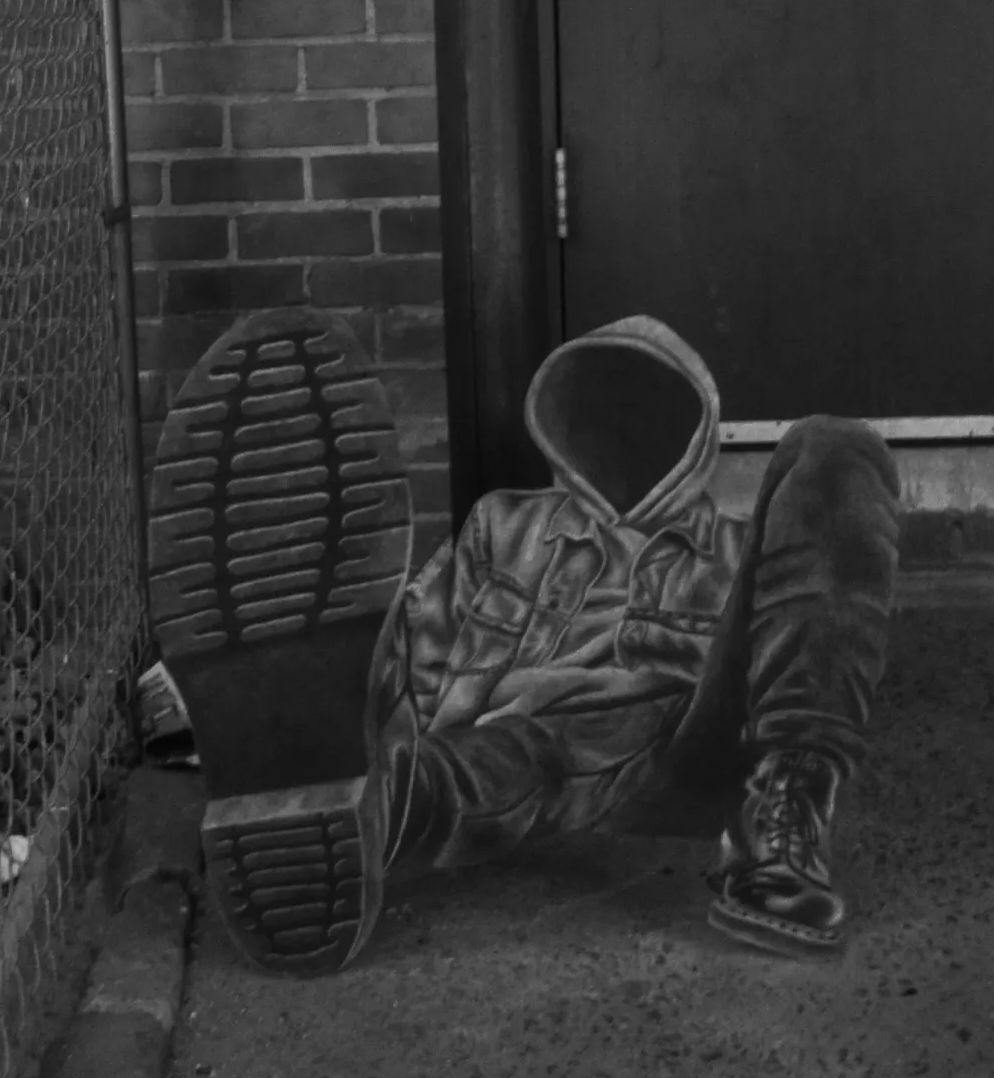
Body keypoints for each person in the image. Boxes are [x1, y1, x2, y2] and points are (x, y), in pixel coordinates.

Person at [143, 307, 900, 980]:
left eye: (652, 412)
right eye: (603, 410)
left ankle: (789, 806)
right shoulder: (503, 525)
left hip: (686, 746)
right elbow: (412, 645)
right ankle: (349, 800)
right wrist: (254, 698)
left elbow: (822, 635)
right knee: (507, 742)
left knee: (836, 446)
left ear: (696, 435)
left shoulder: (738, 554)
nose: (625, 431)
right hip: (499, 756)